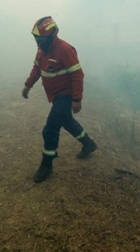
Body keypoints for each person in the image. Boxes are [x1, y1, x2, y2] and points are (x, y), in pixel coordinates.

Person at [21, 16, 98, 183]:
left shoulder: (65, 50)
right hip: (54, 94)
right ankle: (89, 144)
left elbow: (77, 75)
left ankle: (46, 165)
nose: (38, 42)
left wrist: (77, 99)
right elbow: (37, 67)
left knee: (49, 130)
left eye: (41, 39)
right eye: (36, 39)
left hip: (65, 94)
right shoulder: (43, 48)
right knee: (67, 121)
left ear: (52, 35)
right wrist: (28, 85)